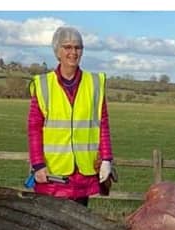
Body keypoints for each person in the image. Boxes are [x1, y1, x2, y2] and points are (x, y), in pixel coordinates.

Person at [27, 25, 113, 205]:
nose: (73, 52)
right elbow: (34, 129)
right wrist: (38, 165)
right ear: (57, 51)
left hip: (84, 172)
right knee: (49, 228)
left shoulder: (95, 83)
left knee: (77, 228)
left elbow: (102, 124)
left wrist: (106, 159)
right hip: (52, 173)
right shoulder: (43, 84)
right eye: (67, 47)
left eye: (78, 47)